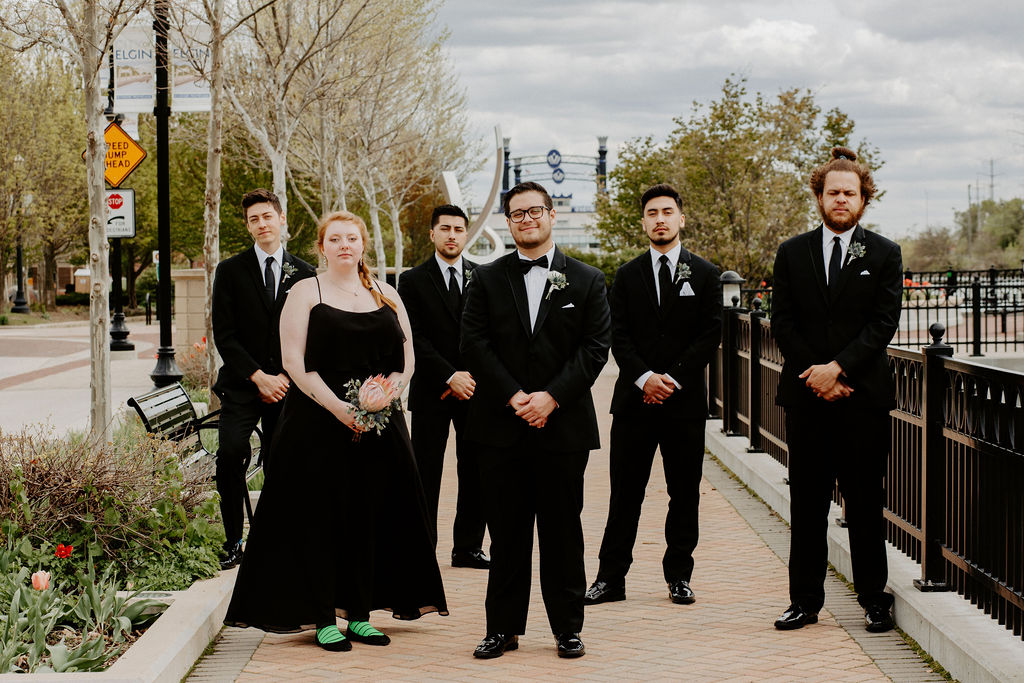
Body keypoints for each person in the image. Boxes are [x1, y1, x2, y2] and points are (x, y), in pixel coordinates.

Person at [224, 210, 448, 651]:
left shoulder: (386, 293)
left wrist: (385, 395)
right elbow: (293, 361)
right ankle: (323, 616)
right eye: (336, 239)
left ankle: (360, 614)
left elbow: (407, 359)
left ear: (363, 245)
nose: (345, 245)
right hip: (315, 423)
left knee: (371, 516)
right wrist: (341, 409)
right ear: (322, 247)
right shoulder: (305, 291)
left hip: (381, 425)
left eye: (352, 238)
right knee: (319, 519)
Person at [461, 181, 611, 660]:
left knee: (563, 532)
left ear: (551, 214)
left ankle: (568, 628)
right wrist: (514, 396)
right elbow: (474, 344)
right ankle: (502, 629)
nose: (526, 220)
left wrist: (551, 398)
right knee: (506, 534)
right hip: (499, 428)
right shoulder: (486, 278)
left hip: (563, 429)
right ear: (508, 222)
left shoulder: (587, 279)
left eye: (534, 211)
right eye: (517, 214)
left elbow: (594, 348)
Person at [770, 147, 902, 633]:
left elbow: (883, 322)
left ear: (864, 198)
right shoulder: (792, 252)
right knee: (807, 504)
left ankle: (874, 599)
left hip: (862, 399)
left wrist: (840, 369)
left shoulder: (884, 253)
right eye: (833, 192)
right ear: (819, 197)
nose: (841, 199)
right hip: (807, 398)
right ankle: (804, 601)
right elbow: (782, 321)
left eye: (850, 193)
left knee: (865, 502)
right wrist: (817, 374)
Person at [584, 184, 721, 607]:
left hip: (684, 404)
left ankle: (679, 576)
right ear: (643, 222)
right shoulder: (626, 276)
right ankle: (610, 578)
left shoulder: (705, 274)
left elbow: (709, 335)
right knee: (625, 494)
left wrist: (671, 379)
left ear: (681, 218)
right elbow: (617, 335)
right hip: (634, 404)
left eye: (667, 212)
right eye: (652, 213)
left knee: (685, 493)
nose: (660, 219)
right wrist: (644, 378)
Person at [211, 188, 315, 570]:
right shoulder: (230, 271)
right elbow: (225, 334)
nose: (261, 224)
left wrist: (284, 378)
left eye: (267, 216)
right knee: (230, 453)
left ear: (281, 219)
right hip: (242, 385)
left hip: (288, 387)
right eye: (254, 219)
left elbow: (310, 334)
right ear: (248, 226)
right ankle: (233, 540)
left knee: (283, 460)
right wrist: (259, 377)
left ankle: (279, 539)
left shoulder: (305, 273)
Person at [397, 204, 488, 569]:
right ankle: (422, 550)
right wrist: (450, 376)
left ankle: (468, 548)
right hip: (432, 390)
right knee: (425, 473)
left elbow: (488, 335)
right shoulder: (412, 280)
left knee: (476, 471)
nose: (452, 235)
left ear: (466, 234)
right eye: (445, 228)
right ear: (433, 233)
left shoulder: (483, 277)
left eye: (458, 229)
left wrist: (468, 377)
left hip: (475, 391)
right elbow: (413, 336)